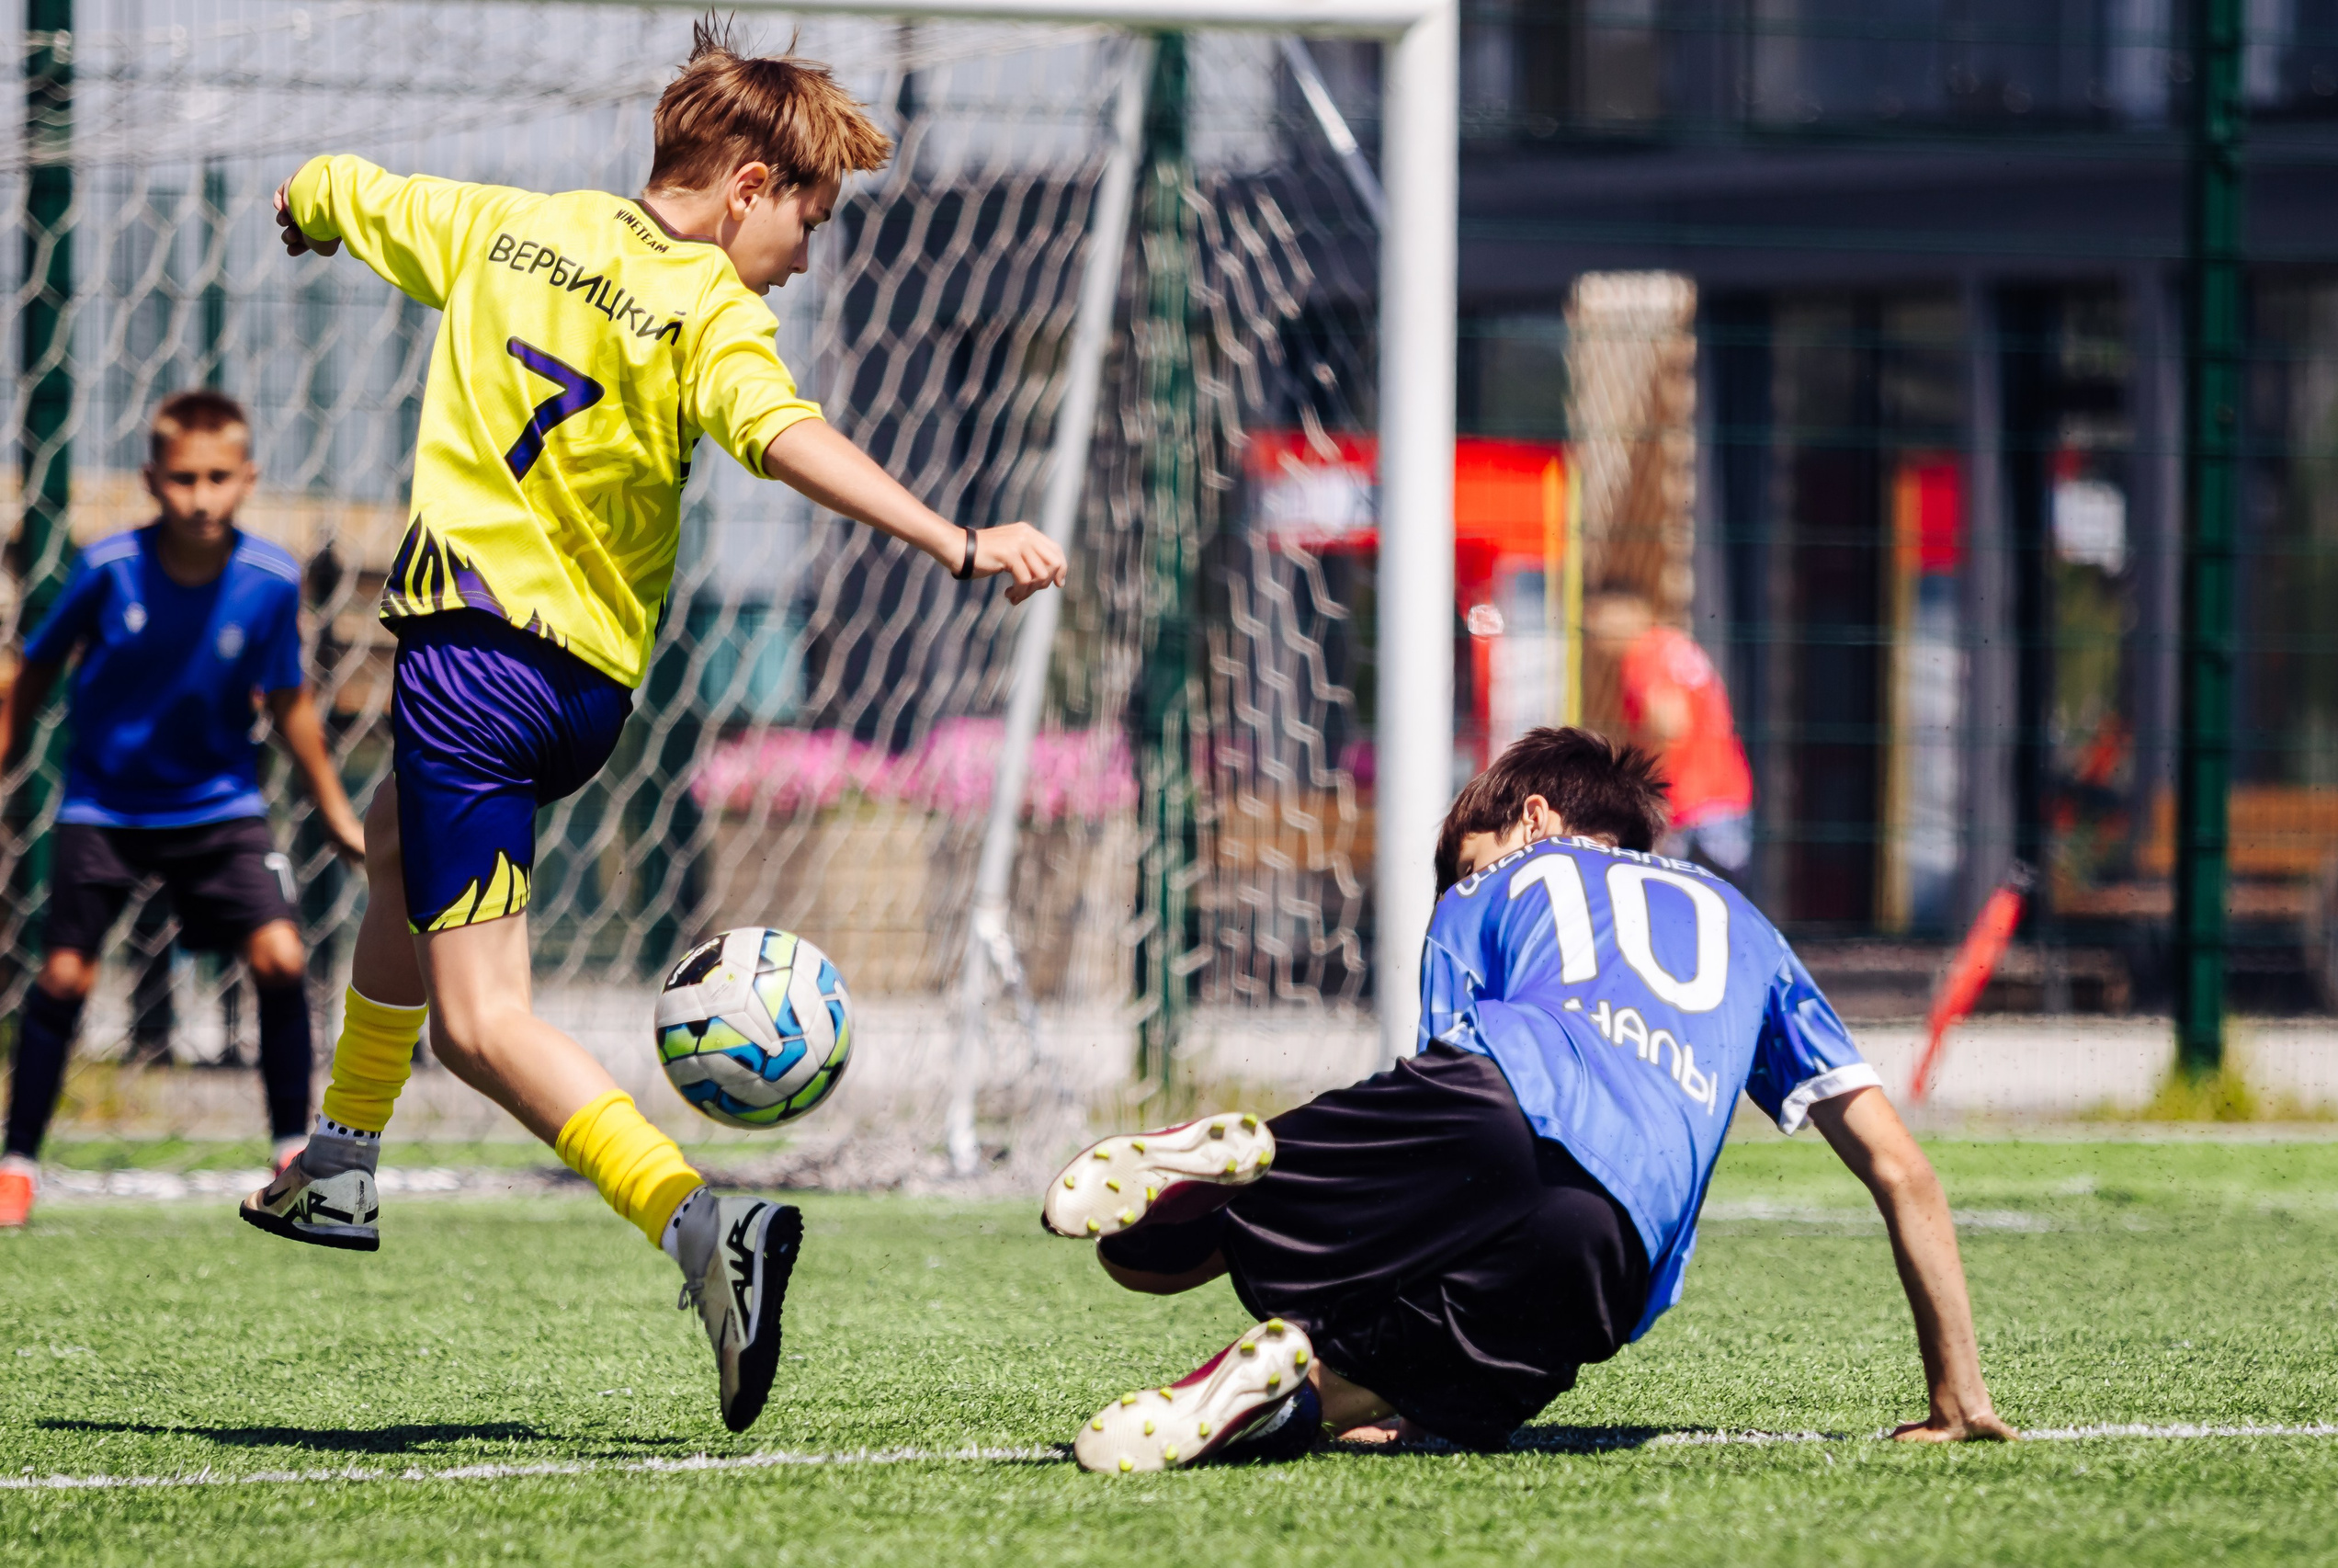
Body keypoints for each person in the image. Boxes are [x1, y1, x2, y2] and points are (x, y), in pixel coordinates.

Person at [238, 24, 1067, 1434]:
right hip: (579, 697)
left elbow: (338, 185)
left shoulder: (499, 226)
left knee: (481, 1024)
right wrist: (952, 532)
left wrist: (310, 204)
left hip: (471, 666)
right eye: (808, 219)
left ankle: (701, 1227)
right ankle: (341, 1154)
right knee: (393, 844)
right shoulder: (707, 312)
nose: (805, 258)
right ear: (747, 185)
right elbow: (786, 432)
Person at [1040, 726, 2014, 1472]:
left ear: (1533, 817)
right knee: (1448, 1398)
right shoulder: (1749, 926)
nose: (1463, 876)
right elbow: (1901, 1168)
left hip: (1500, 1094)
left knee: (1149, 1259)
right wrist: (1957, 1393)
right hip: (1616, 1242)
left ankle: (1249, 1166)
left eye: (1467, 855)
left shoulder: (1500, 881)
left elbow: (1449, 1097)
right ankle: (1301, 1376)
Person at [0, 390, 368, 1228]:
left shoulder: (269, 582)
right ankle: (17, 1164)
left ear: (247, 479)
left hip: (219, 806)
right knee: (62, 976)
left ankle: (288, 1155)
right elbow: (37, 668)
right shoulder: (107, 570)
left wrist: (338, 814)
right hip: (105, 807)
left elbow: (291, 704)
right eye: (182, 479)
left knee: (280, 956)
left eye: (216, 478)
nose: (200, 496)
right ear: (152, 481)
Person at [1586, 585, 1753, 884]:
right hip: (1725, 794)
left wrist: (1650, 792)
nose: (1594, 630)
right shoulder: (1672, 645)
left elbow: (1669, 725)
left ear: (1631, 611)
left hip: (1690, 806)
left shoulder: (1644, 654)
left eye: (1598, 615)